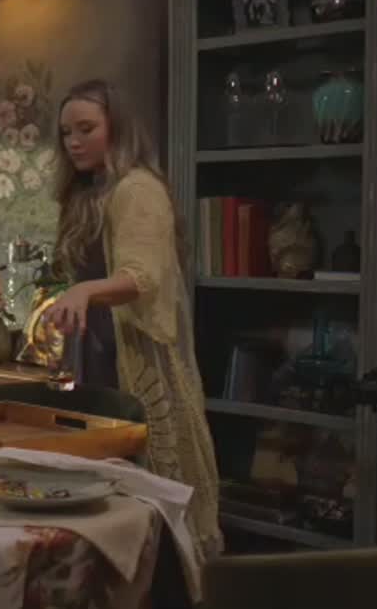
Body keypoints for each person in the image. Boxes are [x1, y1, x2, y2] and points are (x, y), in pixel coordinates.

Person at [44, 79, 223, 584]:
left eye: (86, 129)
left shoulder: (138, 189)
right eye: (66, 133)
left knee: (148, 500)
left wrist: (85, 292)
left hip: (130, 365)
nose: (74, 142)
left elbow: (141, 278)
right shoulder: (90, 194)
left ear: (117, 128)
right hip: (97, 358)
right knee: (104, 499)